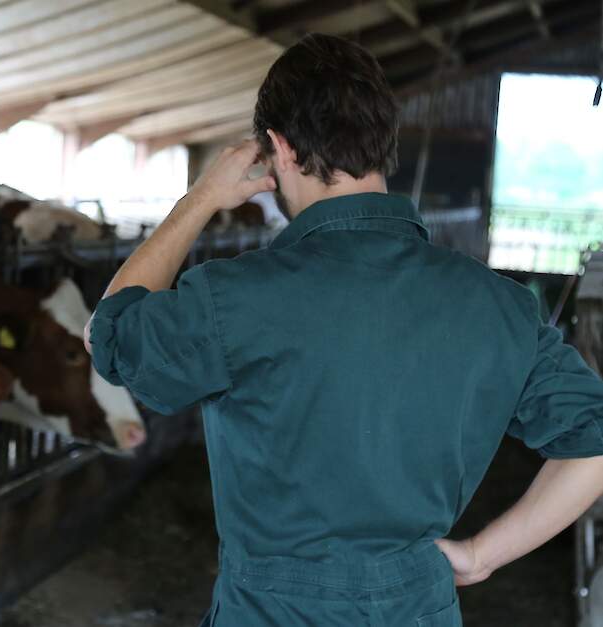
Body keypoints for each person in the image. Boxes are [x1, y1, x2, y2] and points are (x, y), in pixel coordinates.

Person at [84, 33, 603, 626]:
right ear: (385, 147)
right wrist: (483, 554)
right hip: (419, 607)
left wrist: (199, 200)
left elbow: (110, 334)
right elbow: (594, 443)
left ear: (278, 148)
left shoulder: (233, 295)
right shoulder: (500, 304)